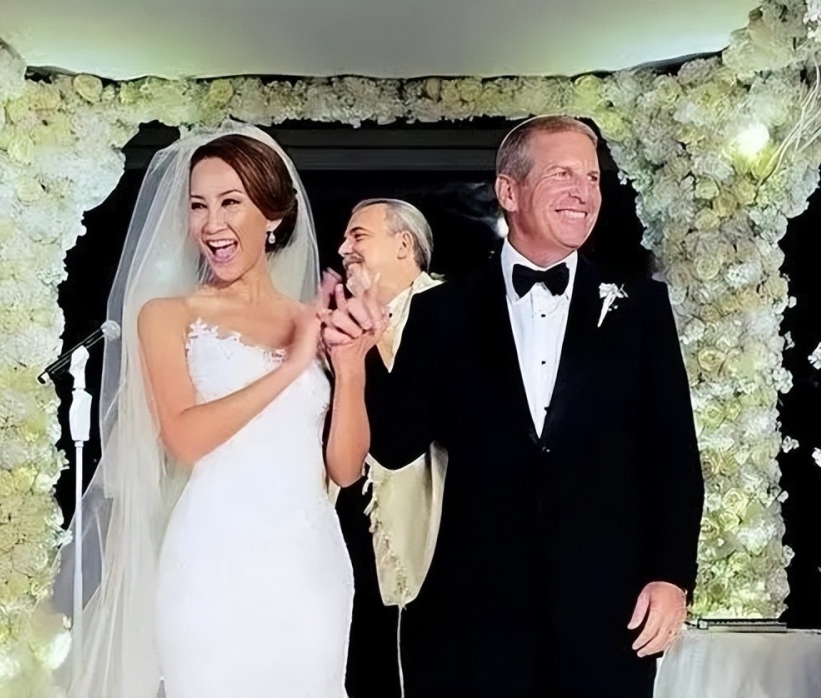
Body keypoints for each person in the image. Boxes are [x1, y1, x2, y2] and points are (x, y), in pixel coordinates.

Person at [323, 115, 705, 697]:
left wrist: (672, 576)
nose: (584, 192)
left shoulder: (642, 307)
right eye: (562, 174)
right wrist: (359, 356)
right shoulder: (442, 311)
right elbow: (396, 445)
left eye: (592, 178)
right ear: (509, 190)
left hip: (608, 613)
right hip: (477, 619)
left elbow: (673, 454)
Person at [51, 124, 385, 697]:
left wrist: (350, 367)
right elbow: (184, 438)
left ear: (273, 215)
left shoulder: (310, 319)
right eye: (198, 206)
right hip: (211, 562)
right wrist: (289, 367)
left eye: (230, 203)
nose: (211, 224)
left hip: (310, 568)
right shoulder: (167, 315)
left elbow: (346, 470)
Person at [331, 198, 443, 698]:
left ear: (403, 245)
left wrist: (366, 337)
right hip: (344, 514)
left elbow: (402, 431)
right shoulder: (333, 320)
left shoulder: (446, 311)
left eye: (358, 236)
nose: (343, 248)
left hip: (426, 527)